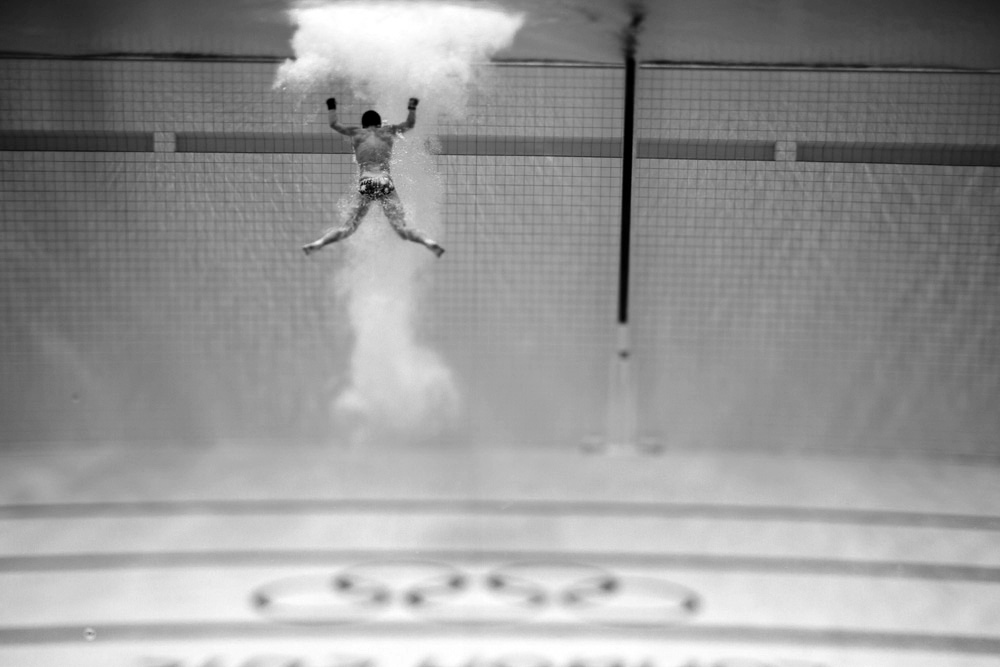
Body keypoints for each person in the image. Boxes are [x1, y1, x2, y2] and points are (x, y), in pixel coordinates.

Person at [302, 97, 445, 257]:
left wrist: (331, 107)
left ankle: (318, 243)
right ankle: (428, 242)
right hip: (385, 182)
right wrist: (412, 108)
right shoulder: (388, 131)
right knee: (402, 229)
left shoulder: (356, 133)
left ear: (364, 124)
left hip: (366, 183)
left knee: (348, 228)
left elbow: (334, 124)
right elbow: (409, 124)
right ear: (379, 124)